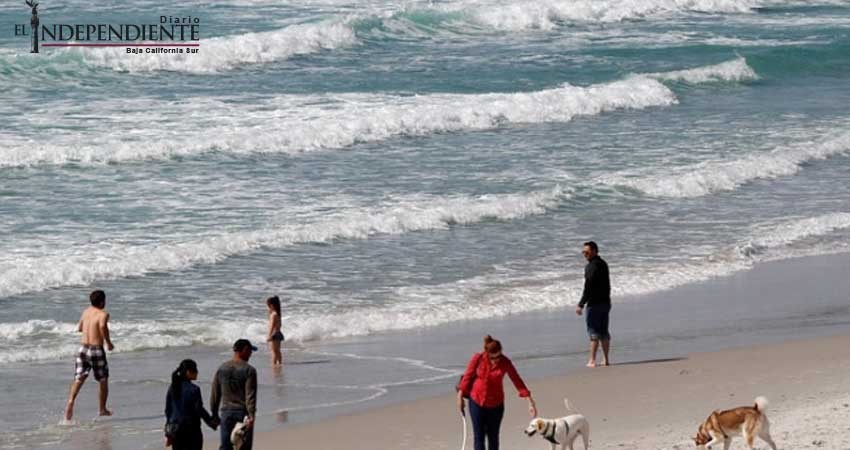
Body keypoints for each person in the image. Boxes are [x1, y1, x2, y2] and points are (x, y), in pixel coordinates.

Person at [456, 335, 537, 450]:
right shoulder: (478, 358)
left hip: (496, 406)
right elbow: (467, 377)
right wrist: (460, 397)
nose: (496, 360)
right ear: (487, 353)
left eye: (499, 356)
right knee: (479, 437)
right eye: (493, 358)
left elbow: (517, 380)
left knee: (493, 438)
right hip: (476, 402)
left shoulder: (505, 362)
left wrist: (530, 401)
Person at [64, 289, 115, 421]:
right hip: (96, 349)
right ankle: (102, 409)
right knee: (103, 379)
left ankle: (70, 401)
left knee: (79, 378)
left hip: (82, 348)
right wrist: (108, 343)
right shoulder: (103, 314)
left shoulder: (86, 312)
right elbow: (102, 326)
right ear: (102, 301)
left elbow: (80, 328)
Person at [210, 339, 258, 450]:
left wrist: (214, 414)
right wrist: (251, 416)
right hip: (242, 414)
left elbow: (215, 394)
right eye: (250, 351)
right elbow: (250, 396)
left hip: (226, 413)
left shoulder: (222, 368)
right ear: (245, 350)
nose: (251, 354)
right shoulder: (249, 370)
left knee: (226, 447)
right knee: (243, 447)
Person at [164, 359, 218, 450]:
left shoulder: (172, 388)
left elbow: (168, 411)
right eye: (195, 370)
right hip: (192, 430)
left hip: (175, 430)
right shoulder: (194, 389)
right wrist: (210, 422)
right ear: (188, 372)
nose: (197, 372)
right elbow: (199, 409)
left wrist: (168, 432)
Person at [575, 240, 612, 367]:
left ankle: (592, 360)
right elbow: (607, 285)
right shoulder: (603, 263)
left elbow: (588, 287)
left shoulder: (591, 267)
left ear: (594, 251)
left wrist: (581, 304)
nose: (584, 254)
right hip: (605, 302)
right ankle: (606, 359)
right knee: (604, 331)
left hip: (595, 303)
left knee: (594, 332)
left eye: (587, 252)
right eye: (583, 252)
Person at [266, 296, 284, 366]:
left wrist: (269, 335)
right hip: (278, 332)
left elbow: (272, 326)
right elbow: (279, 324)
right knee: (277, 350)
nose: (267, 308)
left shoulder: (273, 315)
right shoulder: (277, 313)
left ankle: (274, 364)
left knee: (274, 351)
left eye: (268, 306)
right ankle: (279, 363)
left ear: (271, 305)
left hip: (274, 333)